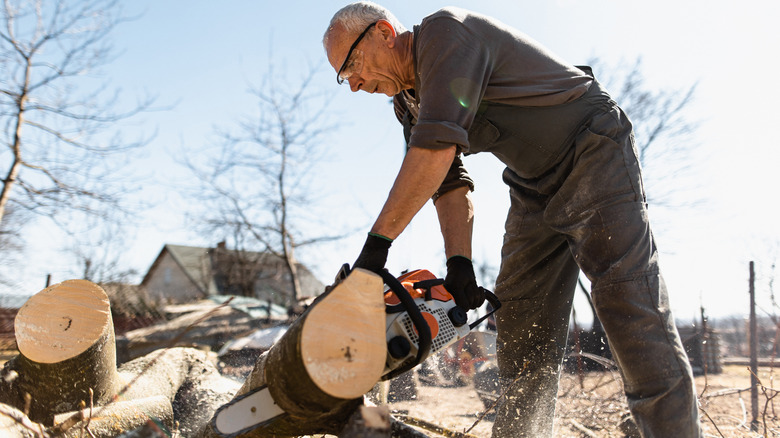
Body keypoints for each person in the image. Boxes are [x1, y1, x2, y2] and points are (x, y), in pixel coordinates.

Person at [323, 3, 701, 437]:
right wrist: (459, 265)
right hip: (533, 184)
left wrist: (375, 250)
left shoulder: (446, 35)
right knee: (523, 316)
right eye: (343, 77)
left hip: (592, 150)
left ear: (384, 33)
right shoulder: (407, 105)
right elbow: (447, 184)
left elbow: (435, 149)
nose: (352, 84)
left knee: (626, 299)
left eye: (351, 64)